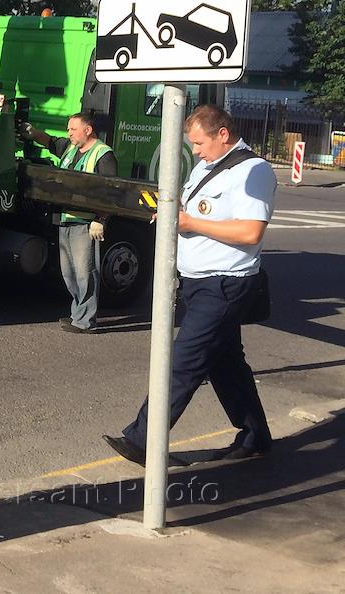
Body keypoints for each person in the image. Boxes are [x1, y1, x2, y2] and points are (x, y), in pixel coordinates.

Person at [104, 105, 276, 465]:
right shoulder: (208, 165)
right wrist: (170, 213)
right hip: (199, 284)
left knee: (183, 362)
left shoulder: (252, 171)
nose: (194, 150)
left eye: (199, 143)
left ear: (222, 134)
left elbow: (251, 231)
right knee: (225, 364)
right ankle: (255, 436)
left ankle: (142, 440)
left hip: (225, 285)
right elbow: (190, 206)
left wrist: (191, 223)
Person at [21, 113, 118, 333]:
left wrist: (100, 219)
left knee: (85, 271)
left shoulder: (103, 155)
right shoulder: (71, 148)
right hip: (65, 218)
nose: (69, 133)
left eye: (73, 129)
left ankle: (86, 321)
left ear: (88, 130)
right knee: (69, 272)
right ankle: (77, 315)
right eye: (68, 129)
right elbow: (50, 142)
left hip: (85, 222)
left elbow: (111, 191)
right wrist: (33, 133)